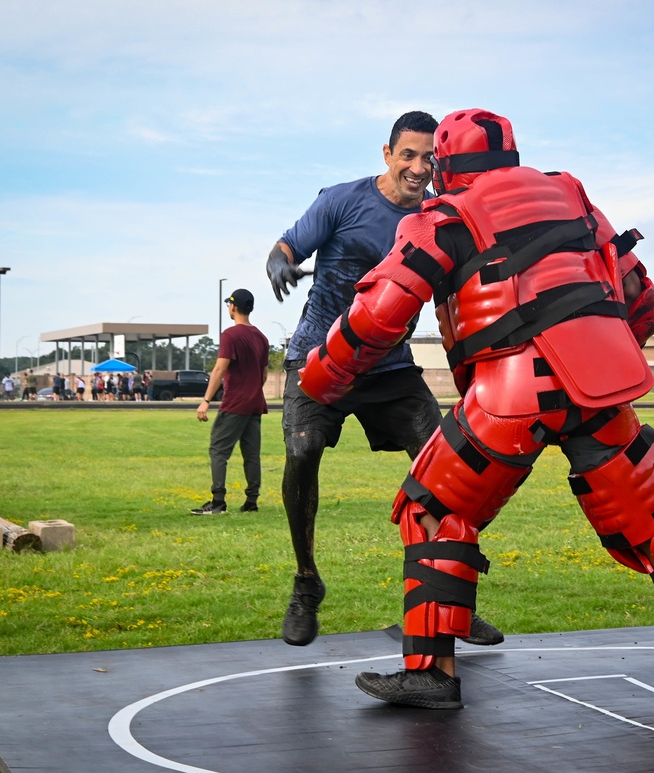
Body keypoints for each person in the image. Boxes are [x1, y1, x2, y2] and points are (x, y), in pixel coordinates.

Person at [299, 108, 654, 709]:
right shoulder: (572, 195)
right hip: (599, 388)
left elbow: (378, 316)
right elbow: (644, 302)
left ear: (447, 164)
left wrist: (323, 374)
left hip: (510, 396)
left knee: (430, 511)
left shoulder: (444, 216)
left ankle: (432, 673)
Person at [266, 110, 503, 650]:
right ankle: (307, 582)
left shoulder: (444, 216)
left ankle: (454, 603)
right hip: (318, 360)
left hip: (390, 369)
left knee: (454, 475)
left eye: (430, 159)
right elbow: (285, 248)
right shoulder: (342, 200)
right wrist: (278, 264)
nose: (419, 168)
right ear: (387, 154)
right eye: (409, 155)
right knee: (301, 455)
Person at [191, 288, 270, 515]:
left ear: (233, 307)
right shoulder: (262, 338)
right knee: (251, 455)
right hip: (255, 403)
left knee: (218, 451)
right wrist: (252, 390)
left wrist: (206, 400)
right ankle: (251, 502)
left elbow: (219, 369)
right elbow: (263, 375)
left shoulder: (230, 335)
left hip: (235, 403)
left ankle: (218, 502)